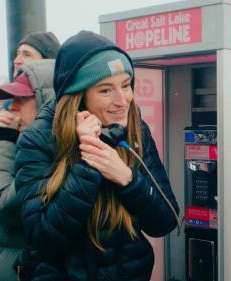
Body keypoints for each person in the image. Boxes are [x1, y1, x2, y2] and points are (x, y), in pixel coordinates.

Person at [14, 30, 179, 281]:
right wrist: (88, 161)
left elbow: (165, 221)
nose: (122, 100)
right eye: (105, 90)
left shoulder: (135, 129)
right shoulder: (39, 140)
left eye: (126, 85)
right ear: (78, 98)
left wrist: (127, 179)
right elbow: (43, 237)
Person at [0, 59, 55, 281]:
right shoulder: (29, 142)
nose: (13, 107)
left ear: (46, 100)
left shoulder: (48, 154)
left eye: (22, 99)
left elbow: (5, 205)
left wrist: (5, 138)